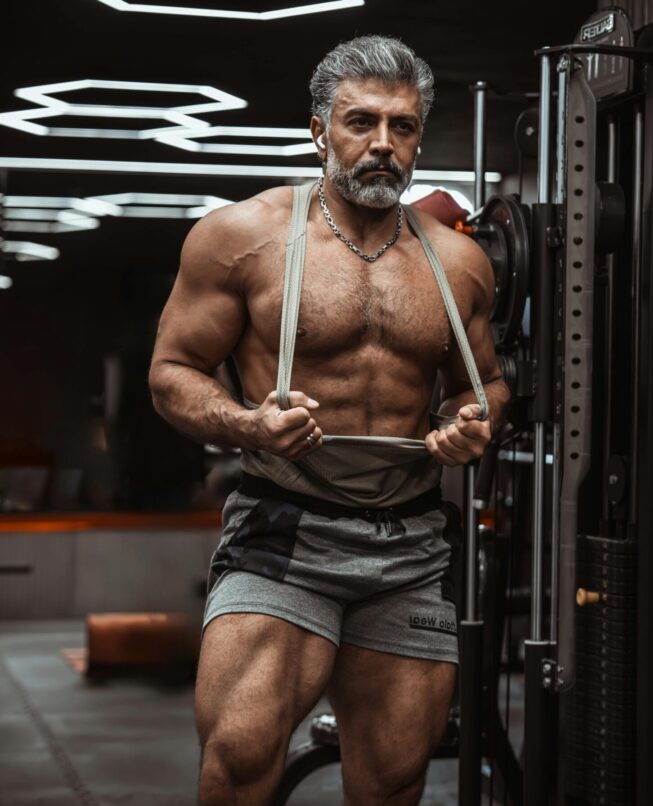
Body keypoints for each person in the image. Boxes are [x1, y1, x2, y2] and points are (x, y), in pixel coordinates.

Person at [149, 34, 510, 806]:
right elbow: (171, 373)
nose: (383, 143)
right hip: (285, 528)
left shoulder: (458, 264)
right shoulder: (243, 238)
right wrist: (247, 425)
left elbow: (483, 387)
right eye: (361, 122)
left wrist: (471, 423)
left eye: (402, 127)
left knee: (394, 778)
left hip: (410, 542)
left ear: (418, 138)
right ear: (319, 131)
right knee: (239, 759)